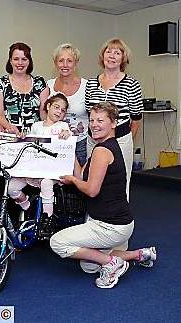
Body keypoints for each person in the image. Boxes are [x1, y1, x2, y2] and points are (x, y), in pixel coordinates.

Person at [50, 102, 156, 289]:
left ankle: (111, 264)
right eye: (91, 120)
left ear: (113, 123)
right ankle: (141, 254)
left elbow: (91, 189)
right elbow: (81, 175)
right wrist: (69, 147)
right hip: (117, 223)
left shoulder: (102, 151)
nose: (94, 124)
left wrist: (72, 182)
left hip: (110, 226)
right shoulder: (105, 146)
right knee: (89, 266)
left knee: (57, 243)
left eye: (100, 120)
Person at [85, 38, 143, 199]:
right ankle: (92, 220)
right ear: (102, 56)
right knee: (93, 182)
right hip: (94, 140)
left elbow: (136, 119)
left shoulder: (132, 84)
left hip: (121, 140)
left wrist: (126, 141)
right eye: (108, 51)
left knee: (120, 183)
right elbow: (89, 113)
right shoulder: (90, 83)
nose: (112, 56)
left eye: (117, 52)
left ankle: (119, 220)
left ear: (123, 58)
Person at [8, 93, 70, 220]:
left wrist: (66, 134)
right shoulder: (36, 126)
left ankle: (47, 218)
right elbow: (29, 146)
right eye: (56, 107)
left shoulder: (62, 126)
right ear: (48, 106)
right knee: (11, 187)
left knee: (46, 184)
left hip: (50, 171)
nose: (59, 112)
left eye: (63, 111)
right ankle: (26, 205)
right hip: (33, 170)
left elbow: (68, 135)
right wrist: (23, 137)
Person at [0, 42, 50, 135]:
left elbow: (44, 114)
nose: (20, 63)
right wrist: (10, 128)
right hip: (10, 137)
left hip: (35, 138)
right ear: (10, 61)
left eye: (24, 59)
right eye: (16, 59)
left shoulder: (40, 83)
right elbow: (0, 116)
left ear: (29, 61)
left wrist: (56, 127)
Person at [47, 43, 88, 166]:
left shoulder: (87, 86)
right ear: (55, 63)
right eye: (61, 61)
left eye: (69, 61)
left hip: (81, 144)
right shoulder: (48, 85)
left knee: (80, 182)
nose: (65, 65)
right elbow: (44, 115)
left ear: (75, 64)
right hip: (56, 142)